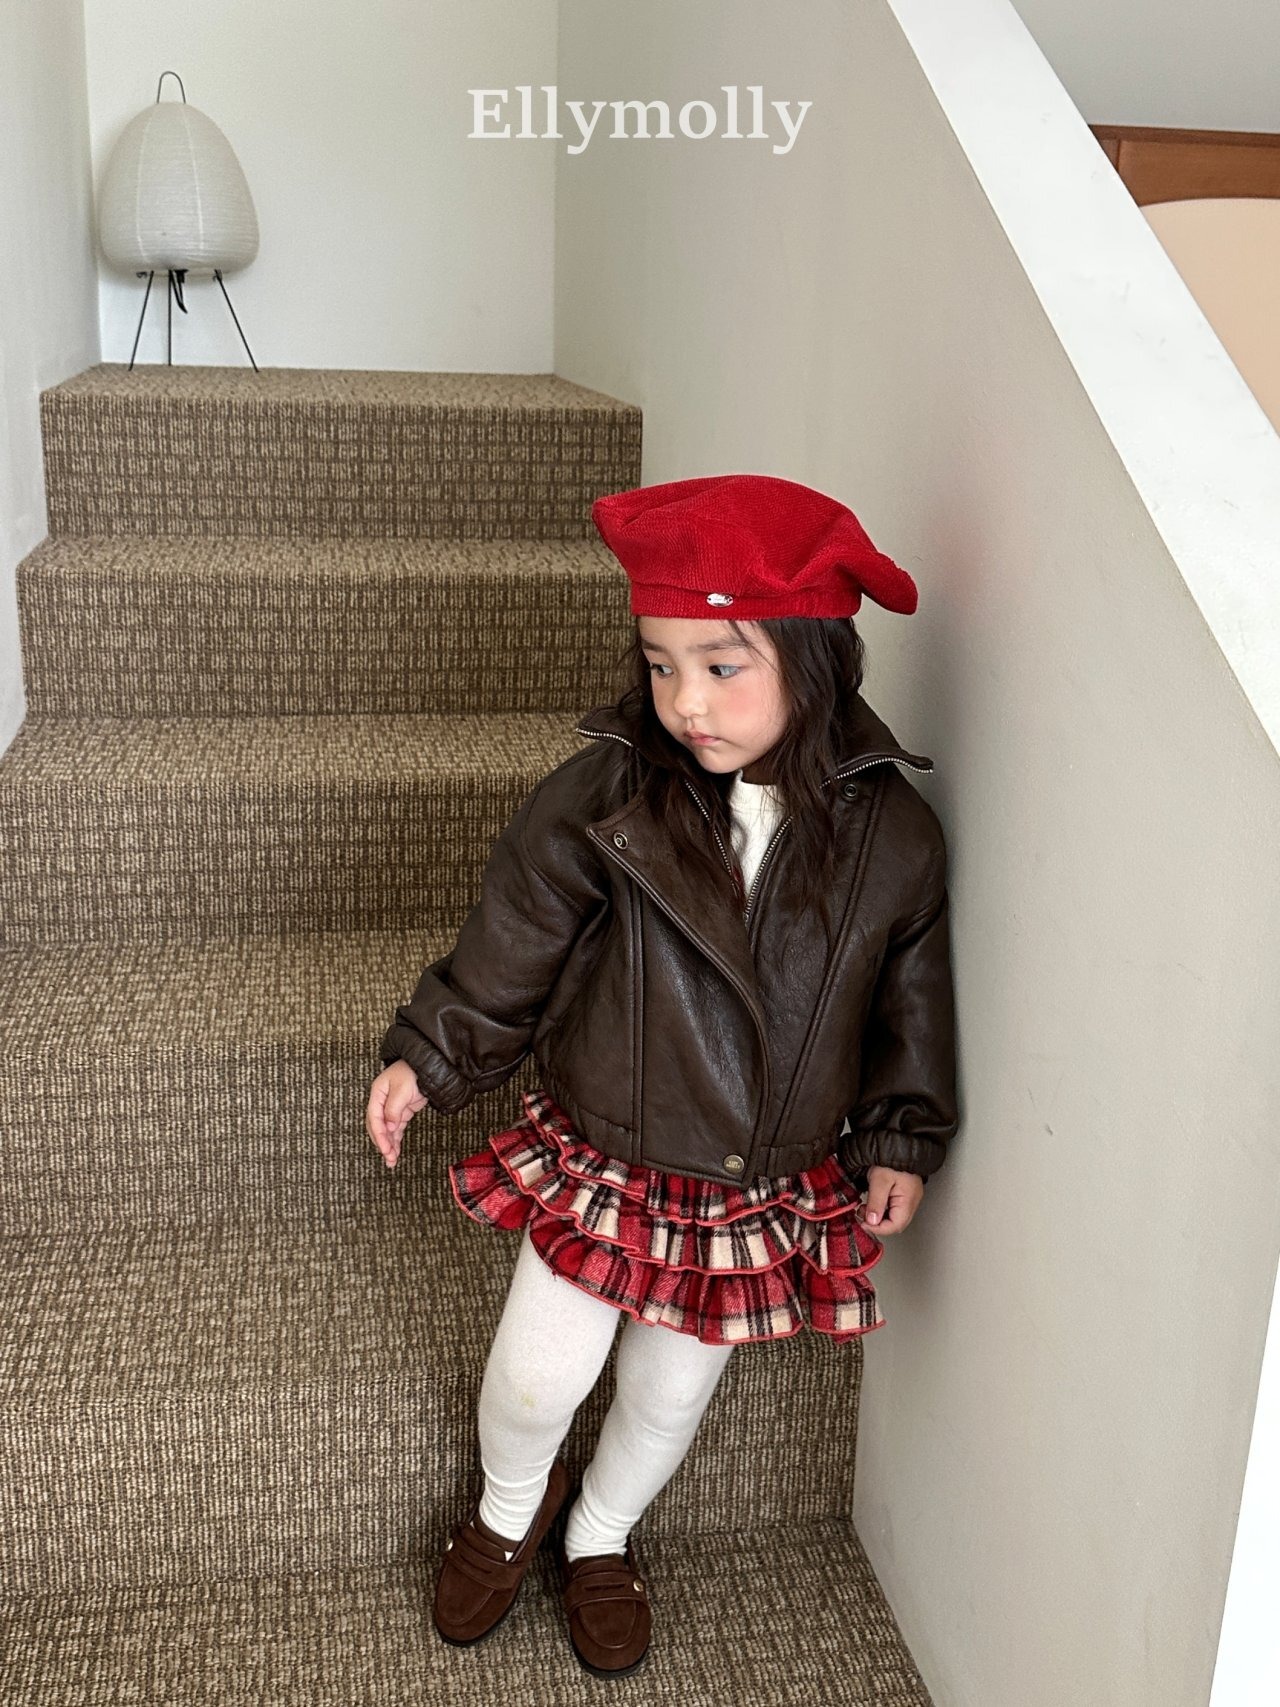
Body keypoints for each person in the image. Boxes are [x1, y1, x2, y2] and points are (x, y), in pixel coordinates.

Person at [364, 471, 959, 1680]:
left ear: (814, 659)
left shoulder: (891, 839)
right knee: (534, 1380)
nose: (684, 701)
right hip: (610, 1144)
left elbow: (908, 1000)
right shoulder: (606, 794)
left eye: (721, 665)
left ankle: (598, 1534)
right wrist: (435, 1052)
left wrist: (899, 1132)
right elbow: (515, 940)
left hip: (750, 1177)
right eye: (658, 665)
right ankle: (508, 1508)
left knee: (668, 1392)